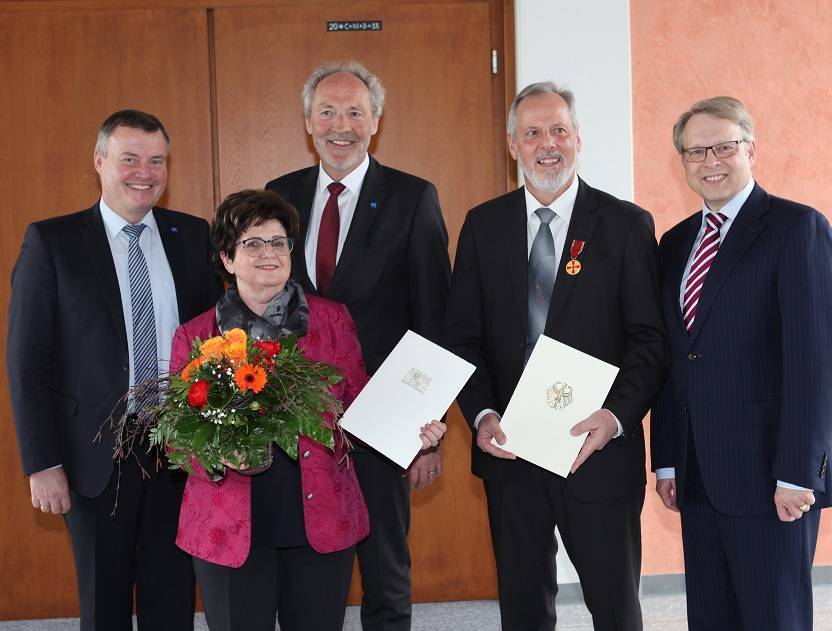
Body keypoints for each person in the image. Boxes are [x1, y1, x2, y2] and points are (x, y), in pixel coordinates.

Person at [442, 82, 669, 631]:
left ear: (578, 139)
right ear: (512, 144)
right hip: (510, 456)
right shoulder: (483, 225)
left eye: (559, 130)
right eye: (534, 132)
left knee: (615, 608)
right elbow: (463, 339)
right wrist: (482, 414)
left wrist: (614, 418)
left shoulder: (625, 225)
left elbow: (650, 341)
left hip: (596, 453)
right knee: (523, 608)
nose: (549, 144)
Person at [170, 188, 446, 631]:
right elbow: (177, 437)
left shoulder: (333, 319)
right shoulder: (196, 335)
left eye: (278, 242)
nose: (269, 253)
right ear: (226, 258)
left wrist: (410, 430)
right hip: (230, 524)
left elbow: (358, 408)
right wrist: (216, 459)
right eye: (253, 243)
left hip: (320, 518)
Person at [6, 109, 222, 630]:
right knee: (104, 606)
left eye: (155, 161)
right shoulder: (51, 242)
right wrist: (41, 462)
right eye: (129, 159)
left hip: (177, 446)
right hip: (94, 455)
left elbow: (218, 344)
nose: (143, 172)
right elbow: (27, 362)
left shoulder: (193, 236)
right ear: (100, 162)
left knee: (171, 600)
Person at [265, 61, 451, 630]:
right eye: (327, 112)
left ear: (376, 122)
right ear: (307, 121)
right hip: (294, 422)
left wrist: (428, 430)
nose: (339, 126)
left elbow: (434, 322)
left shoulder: (413, 198)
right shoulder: (280, 195)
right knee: (306, 570)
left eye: (354, 112)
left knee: (385, 571)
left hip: (384, 418)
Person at [650, 96, 832, 631]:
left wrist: (800, 471)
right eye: (695, 152)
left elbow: (815, 361)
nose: (710, 161)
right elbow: (674, 358)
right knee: (710, 617)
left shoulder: (797, 228)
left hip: (771, 475)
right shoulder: (676, 241)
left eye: (723, 147)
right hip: (698, 473)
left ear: (750, 149)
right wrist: (666, 459)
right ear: (682, 161)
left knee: (773, 617)